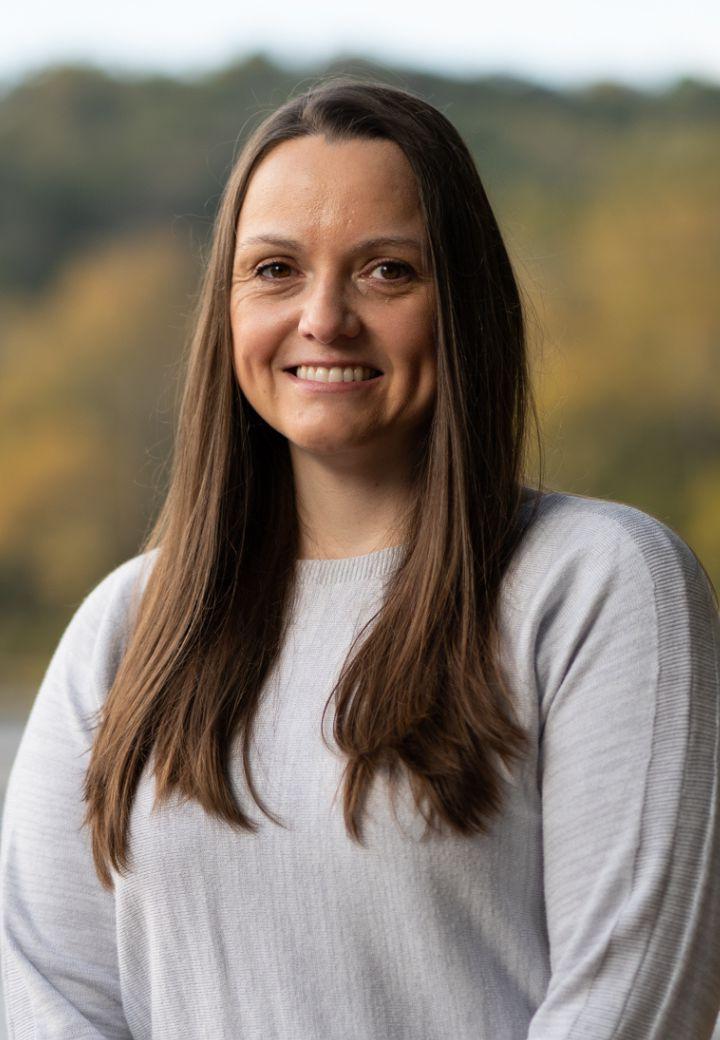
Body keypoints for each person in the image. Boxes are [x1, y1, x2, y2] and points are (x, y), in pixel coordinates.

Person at [1, 77, 719, 1040]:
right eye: (275, 270)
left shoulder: (601, 587)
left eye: (387, 271)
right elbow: (50, 995)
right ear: (226, 309)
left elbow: (631, 1003)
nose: (325, 317)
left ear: (464, 304)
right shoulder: (128, 628)